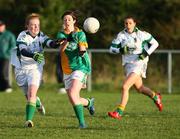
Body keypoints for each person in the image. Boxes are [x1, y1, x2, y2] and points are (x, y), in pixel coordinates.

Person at [11, 13, 61, 127]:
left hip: (35, 68)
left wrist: (57, 42)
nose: (36, 27)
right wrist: (33, 55)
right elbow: (23, 50)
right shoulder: (22, 35)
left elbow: (50, 43)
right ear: (27, 26)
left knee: (31, 93)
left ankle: (28, 120)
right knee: (28, 96)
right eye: (33, 25)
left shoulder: (41, 35)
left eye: (37, 25)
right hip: (21, 68)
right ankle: (37, 103)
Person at [108, 16, 163, 120]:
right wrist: (121, 50)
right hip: (128, 64)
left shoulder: (142, 34)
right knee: (140, 88)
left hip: (139, 63)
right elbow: (111, 49)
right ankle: (156, 96)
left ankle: (119, 112)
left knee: (125, 86)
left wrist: (146, 53)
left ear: (134, 24)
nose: (128, 25)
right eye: (126, 23)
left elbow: (155, 43)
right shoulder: (121, 35)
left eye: (130, 23)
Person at [56, 10, 95, 128]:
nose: (67, 21)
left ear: (74, 21)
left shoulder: (80, 34)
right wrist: (68, 39)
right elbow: (61, 50)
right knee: (74, 98)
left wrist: (81, 50)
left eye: (69, 19)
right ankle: (88, 102)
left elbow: (82, 49)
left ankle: (82, 123)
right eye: (65, 20)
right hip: (67, 69)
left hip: (80, 66)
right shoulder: (61, 34)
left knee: (73, 93)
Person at [0, 19, 16, 93]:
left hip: (6, 57)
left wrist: (7, 53)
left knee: (4, 72)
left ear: (4, 26)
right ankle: (2, 87)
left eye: (1, 26)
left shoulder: (9, 35)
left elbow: (13, 45)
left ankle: (8, 86)